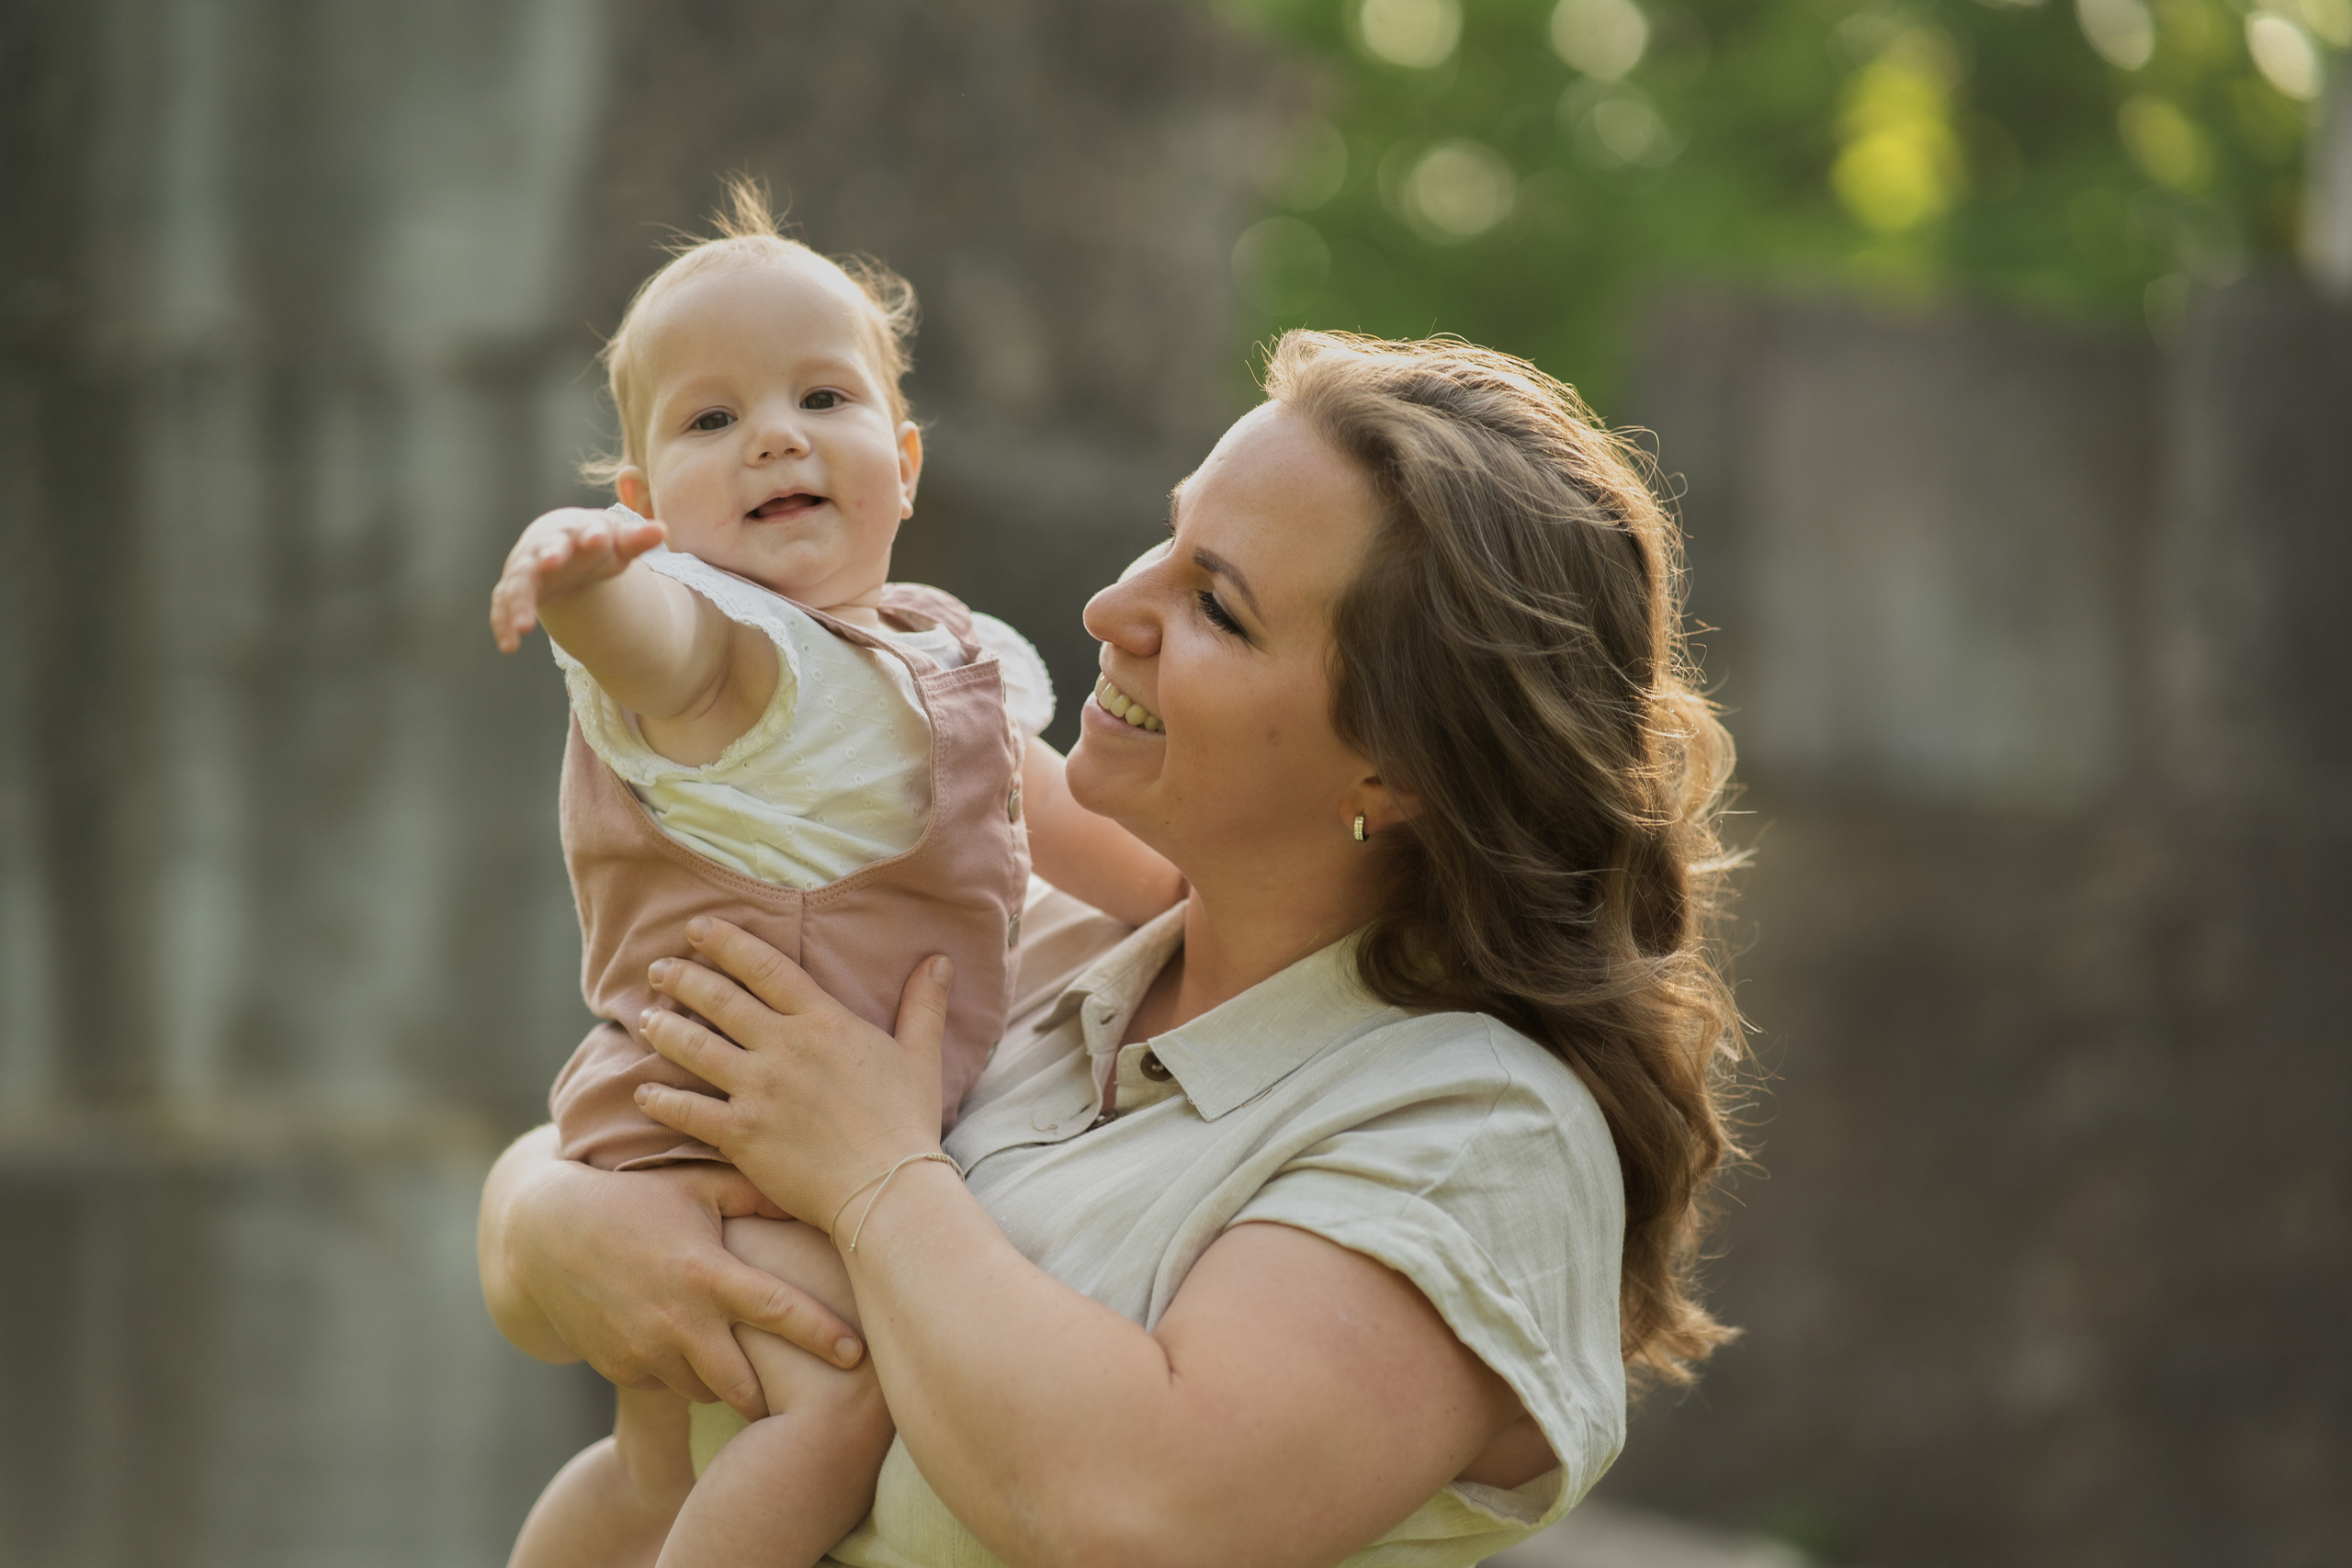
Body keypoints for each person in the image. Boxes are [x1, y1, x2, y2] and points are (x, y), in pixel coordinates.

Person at [480, 329, 1747, 1568]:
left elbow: (1142, 1512)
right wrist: (551, 1223)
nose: (1112, 606)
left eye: (1217, 606)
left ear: (1401, 766)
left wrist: (874, 1180)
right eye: (1172, 535)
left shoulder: (1473, 1130)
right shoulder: (1038, 954)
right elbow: (605, 1145)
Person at [484, 181, 1183, 1568]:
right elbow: (654, 644)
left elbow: (1079, 842)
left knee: (652, 1469)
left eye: (823, 397)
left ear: (905, 460)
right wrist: (583, 580)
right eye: (711, 421)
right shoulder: (725, 653)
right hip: (710, 1134)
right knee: (833, 1387)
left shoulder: (951, 658)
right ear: (646, 505)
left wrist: (1203, 896)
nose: (775, 437)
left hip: (792, 1134)